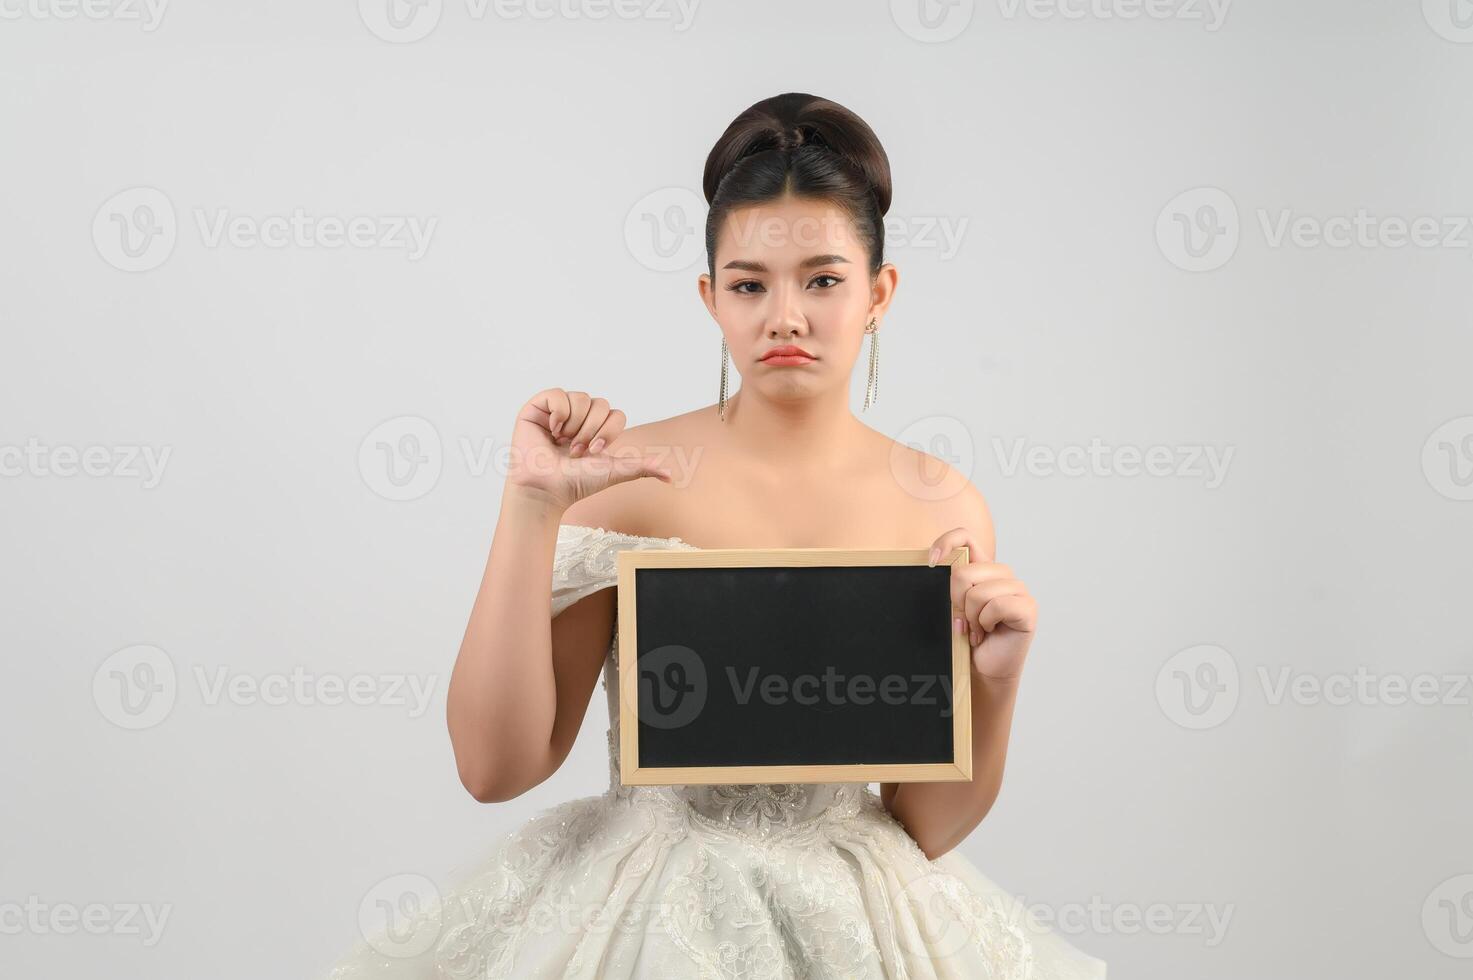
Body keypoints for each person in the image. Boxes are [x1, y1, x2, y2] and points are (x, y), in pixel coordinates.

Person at [323, 92, 1107, 979]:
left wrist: (996, 685)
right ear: (709, 297)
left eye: (822, 279)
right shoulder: (626, 483)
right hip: (649, 911)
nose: (784, 317)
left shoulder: (939, 505)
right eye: (748, 284)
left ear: (878, 292)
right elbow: (494, 768)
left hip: (858, 919)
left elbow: (923, 823)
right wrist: (532, 509)